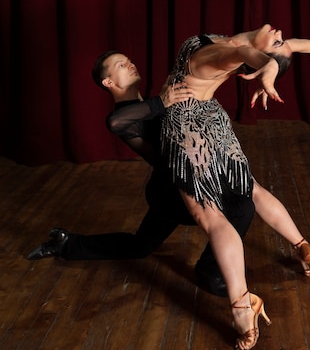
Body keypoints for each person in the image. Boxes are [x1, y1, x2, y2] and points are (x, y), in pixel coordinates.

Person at [159, 24, 310, 350]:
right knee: (253, 189)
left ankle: (241, 306)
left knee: (207, 214)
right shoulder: (244, 44)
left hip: (185, 126)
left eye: (275, 44)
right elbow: (293, 45)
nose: (279, 34)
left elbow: (242, 53)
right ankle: (304, 248)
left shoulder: (227, 53)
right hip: (213, 119)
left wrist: (267, 67)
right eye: (278, 39)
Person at [26, 51, 255, 298]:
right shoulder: (132, 113)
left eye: (129, 60)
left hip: (169, 188)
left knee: (140, 246)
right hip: (172, 195)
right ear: (109, 82)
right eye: (120, 65)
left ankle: (66, 243)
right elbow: (115, 123)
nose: (130, 64)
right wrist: (161, 103)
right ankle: (210, 272)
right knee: (241, 208)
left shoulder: (151, 104)